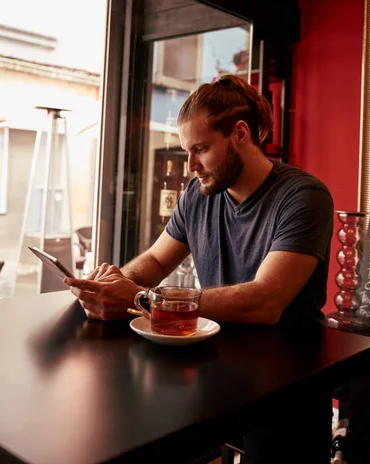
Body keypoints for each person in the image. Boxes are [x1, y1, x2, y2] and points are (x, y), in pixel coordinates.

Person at [65, 74, 334, 463]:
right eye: (186, 151)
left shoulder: (303, 197)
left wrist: (143, 298)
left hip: (286, 387)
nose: (189, 165)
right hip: (211, 370)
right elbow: (157, 260)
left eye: (201, 149)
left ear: (240, 133)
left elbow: (266, 300)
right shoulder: (198, 193)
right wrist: (112, 283)